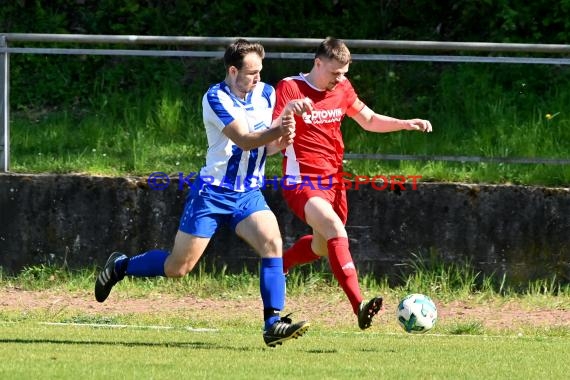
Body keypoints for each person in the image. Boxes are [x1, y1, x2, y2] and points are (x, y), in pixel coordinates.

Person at [95, 38, 310, 347]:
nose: (258, 78)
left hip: (248, 194)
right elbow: (247, 140)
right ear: (233, 71)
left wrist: (285, 135)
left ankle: (272, 323)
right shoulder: (215, 97)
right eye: (252, 73)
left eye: (261, 71)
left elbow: (268, 147)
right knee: (178, 267)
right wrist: (282, 123)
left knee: (272, 243)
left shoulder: (266, 93)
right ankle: (120, 266)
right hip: (212, 194)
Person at [272, 37, 432, 330]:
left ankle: (279, 265)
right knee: (335, 229)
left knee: (322, 246)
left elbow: (368, 119)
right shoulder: (290, 88)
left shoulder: (342, 87)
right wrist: (287, 115)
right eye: (335, 73)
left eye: (345, 73)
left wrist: (405, 123)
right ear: (318, 63)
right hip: (301, 181)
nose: (341, 79)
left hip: (335, 182)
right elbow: (273, 131)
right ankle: (359, 305)